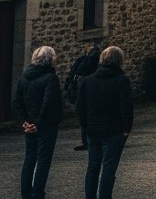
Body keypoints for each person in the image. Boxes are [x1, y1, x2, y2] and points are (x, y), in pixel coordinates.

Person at [76, 46, 133, 199]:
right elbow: (126, 108)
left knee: (93, 167)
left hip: (93, 131)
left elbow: (80, 108)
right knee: (108, 169)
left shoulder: (87, 81)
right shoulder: (121, 81)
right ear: (119, 62)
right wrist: (127, 129)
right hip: (114, 132)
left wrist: (85, 126)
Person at [14, 45, 62, 199]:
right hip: (45, 127)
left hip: (29, 125)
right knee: (42, 161)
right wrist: (38, 124)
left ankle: (26, 194)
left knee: (29, 159)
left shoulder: (24, 78)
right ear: (51, 60)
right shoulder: (51, 78)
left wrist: (24, 122)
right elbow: (48, 104)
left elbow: (17, 103)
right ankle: (38, 194)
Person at [66, 41, 101, 151]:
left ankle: (88, 141)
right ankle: (88, 141)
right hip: (84, 92)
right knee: (86, 117)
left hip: (87, 92)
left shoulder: (88, 61)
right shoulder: (83, 61)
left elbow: (74, 74)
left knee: (85, 117)